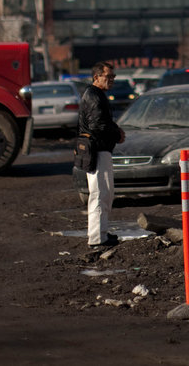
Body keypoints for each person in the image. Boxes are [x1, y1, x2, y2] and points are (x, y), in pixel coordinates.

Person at [77, 62, 125, 248]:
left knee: (104, 193)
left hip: (98, 149)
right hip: (97, 150)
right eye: (108, 76)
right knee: (100, 193)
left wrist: (114, 130)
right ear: (96, 77)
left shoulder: (95, 95)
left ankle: (101, 233)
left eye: (113, 77)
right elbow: (99, 125)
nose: (111, 80)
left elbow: (101, 122)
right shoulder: (95, 97)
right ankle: (97, 238)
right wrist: (117, 134)